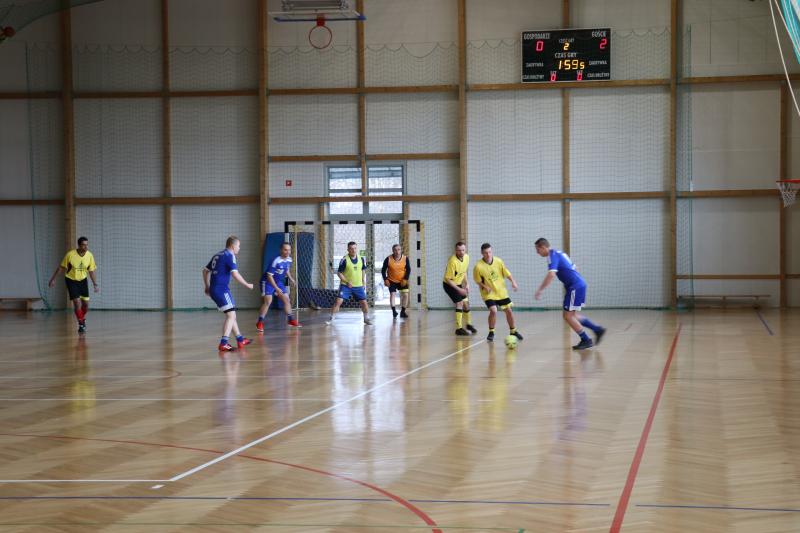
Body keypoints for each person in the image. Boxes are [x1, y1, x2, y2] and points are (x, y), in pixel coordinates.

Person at [533, 238, 605, 350]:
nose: (537, 253)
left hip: (575, 287)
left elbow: (551, 274)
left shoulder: (552, 256)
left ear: (543, 247)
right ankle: (597, 329)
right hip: (578, 285)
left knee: (567, 316)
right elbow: (575, 267)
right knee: (572, 315)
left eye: (538, 250)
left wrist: (540, 290)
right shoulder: (560, 253)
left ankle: (586, 339)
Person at [203, 236, 254, 352]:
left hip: (215, 289)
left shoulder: (217, 255)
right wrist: (247, 284)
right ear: (233, 245)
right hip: (222, 290)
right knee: (231, 316)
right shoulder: (230, 255)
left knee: (231, 315)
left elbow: (205, 271)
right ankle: (223, 343)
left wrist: (207, 286)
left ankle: (240, 339)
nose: (239, 248)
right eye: (238, 246)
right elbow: (235, 274)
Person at [473, 243, 522, 343]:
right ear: (482, 253)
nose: (488, 254)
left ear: (492, 251)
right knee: (493, 310)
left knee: (509, 310)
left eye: (490, 252)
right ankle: (491, 332)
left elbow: (506, 273)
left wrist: (513, 282)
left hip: (501, 291)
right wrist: (485, 286)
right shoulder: (478, 266)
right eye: (486, 253)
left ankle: (513, 331)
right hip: (488, 293)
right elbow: (477, 280)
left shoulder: (498, 261)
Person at [48, 236, 99, 334]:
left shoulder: (89, 255)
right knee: (77, 302)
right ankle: (81, 324)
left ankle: (82, 318)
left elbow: (91, 271)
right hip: (71, 280)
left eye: (87, 245)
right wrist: (53, 279)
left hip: (83, 281)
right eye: (83, 245)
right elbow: (61, 268)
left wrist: (95, 284)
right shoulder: (70, 255)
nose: (86, 247)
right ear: (79, 245)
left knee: (86, 305)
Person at [257, 242, 300, 332]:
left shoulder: (289, 259)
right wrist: (276, 288)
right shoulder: (275, 261)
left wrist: (291, 279)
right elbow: (269, 276)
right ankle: (260, 322)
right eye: (285, 250)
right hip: (267, 282)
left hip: (278, 282)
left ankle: (290, 320)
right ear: (281, 250)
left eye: (289, 250)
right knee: (268, 301)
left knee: (286, 299)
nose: (288, 252)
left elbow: (286, 269)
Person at [327, 241, 372, 325]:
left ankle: (366, 318)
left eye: (355, 248)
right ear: (348, 250)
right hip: (346, 286)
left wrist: (363, 281)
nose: (353, 250)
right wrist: (347, 282)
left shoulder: (361, 259)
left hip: (358, 286)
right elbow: (339, 273)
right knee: (338, 301)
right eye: (351, 249)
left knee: (364, 302)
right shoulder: (344, 259)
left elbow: (363, 270)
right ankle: (331, 319)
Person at [443, 241, 477, 336]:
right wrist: (459, 290)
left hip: (458, 284)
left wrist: (467, 284)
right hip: (449, 285)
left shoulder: (467, 257)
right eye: (459, 250)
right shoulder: (452, 261)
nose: (461, 252)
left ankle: (469, 325)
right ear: (455, 250)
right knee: (460, 303)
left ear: (465, 250)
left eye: (463, 250)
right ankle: (459, 329)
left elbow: (463, 271)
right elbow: (448, 279)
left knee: (466, 304)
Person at [381, 243, 411, 318]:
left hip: (402, 280)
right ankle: (394, 311)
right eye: (395, 250)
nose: (397, 252)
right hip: (391, 280)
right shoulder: (388, 259)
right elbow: (383, 270)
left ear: (401, 250)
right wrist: (385, 279)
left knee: (406, 294)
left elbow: (408, 269)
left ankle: (403, 312)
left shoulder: (405, 258)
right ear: (393, 251)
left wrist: (405, 279)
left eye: (398, 250)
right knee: (392, 294)